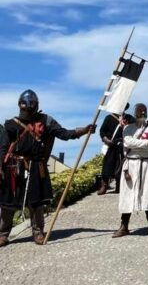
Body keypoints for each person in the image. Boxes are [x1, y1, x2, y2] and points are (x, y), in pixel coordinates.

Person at [0, 90, 96, 246]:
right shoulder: (11, 124)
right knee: (8, 202)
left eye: (31, 105)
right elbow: (2, 148)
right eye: (26, 106)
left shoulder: (46, 121)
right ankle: (3, 234)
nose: (28, 108)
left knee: (36, 202)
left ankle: (38, 232)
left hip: (36, 167)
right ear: (21, 106)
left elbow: (64, 134)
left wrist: (84, 130)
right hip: (14, 168)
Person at [113, 103, 148, 238]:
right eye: (139, 111)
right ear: (135, 113)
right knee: (127, 195)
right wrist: (146, 144)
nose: (142, 113)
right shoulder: (128, 128)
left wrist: (142, 145)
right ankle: (124, 226)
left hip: (146, 165)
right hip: (131, 165)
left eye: (144, 110)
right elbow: (127, 143)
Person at [99, 103, 133, 195]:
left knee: (121, 166)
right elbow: (102, 131)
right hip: (111, 145)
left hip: (123, 145)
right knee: (107, 165)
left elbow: (136, 127)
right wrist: (106, 140)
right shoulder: (109, 117)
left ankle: (119, 185)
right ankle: (104, 185)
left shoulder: (129, 118)